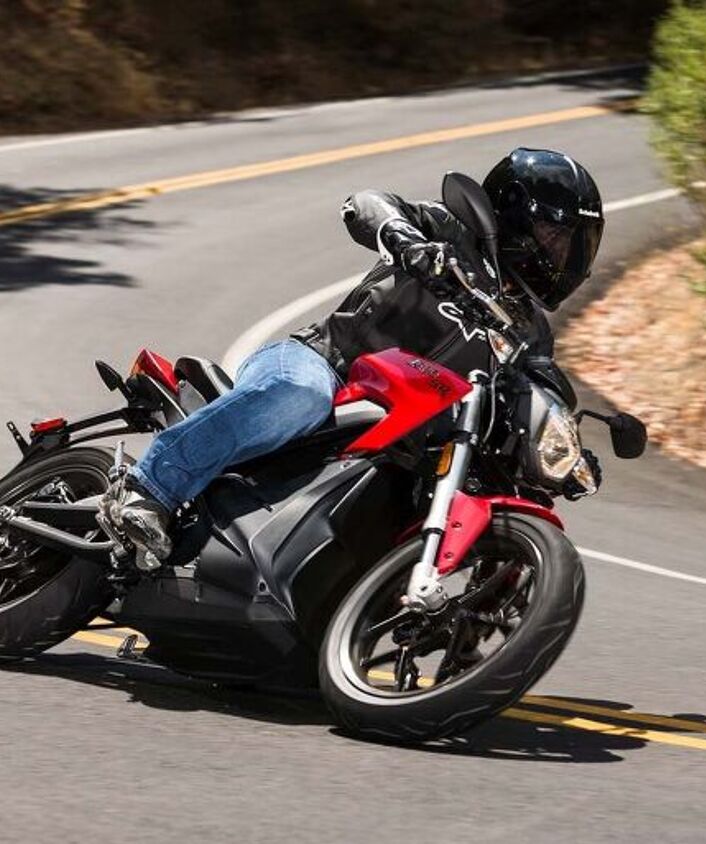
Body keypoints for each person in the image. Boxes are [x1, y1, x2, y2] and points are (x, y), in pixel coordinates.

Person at [102, 147, 605, 559]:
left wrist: (567, 452)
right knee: (299, 394)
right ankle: (149, 489)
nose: (564, 256)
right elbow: (367, 203)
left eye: (575, 244)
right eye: (556, 237)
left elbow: (543, 386)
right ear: (516, 216)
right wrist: (407, 241)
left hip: (407, 430)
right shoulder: (450, 234)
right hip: (327, 365)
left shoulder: (530, 332)